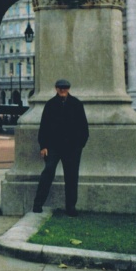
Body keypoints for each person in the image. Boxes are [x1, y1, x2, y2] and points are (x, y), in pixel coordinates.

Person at [33, 79, 89, 216]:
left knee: (71, 177)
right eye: (60, 88)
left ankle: (71, 207)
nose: (63, 90)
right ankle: (38, 203)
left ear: (69, 89)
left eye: (65, 88)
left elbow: (84, 127)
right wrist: (43, 146)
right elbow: (44, 126)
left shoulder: (76, 104)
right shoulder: (50, 104)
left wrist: (79, 145)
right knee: (48, 172)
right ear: (56, 89)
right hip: (53, 147)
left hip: (72, 148)